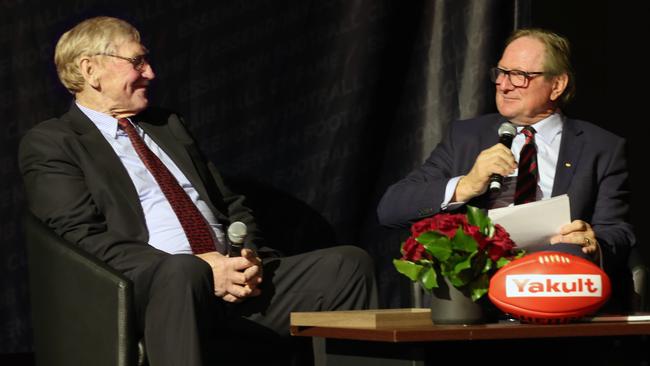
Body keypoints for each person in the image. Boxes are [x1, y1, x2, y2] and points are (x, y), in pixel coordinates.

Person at [19, 16, 377, 366]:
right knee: (183, 272)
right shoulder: (54, 142)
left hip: (227, 278)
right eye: (137, 61)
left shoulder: (168, 126)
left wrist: (246, 256)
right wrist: (198, 268)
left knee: (346, 266)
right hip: (147, 285)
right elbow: (80, 236)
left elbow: (231, 204)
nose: (150, 73)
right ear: (90, 69)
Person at [377, 28, 635, 273]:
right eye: (500, 72)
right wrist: (466, 185)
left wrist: (593, 243)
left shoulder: (600, 147)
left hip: (559, 277)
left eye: (519, 75)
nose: (503, 84)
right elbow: (391, 208)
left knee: (571, 253)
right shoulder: (466, 136)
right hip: (480, 282)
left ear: (557, 85)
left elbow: (617, 232)